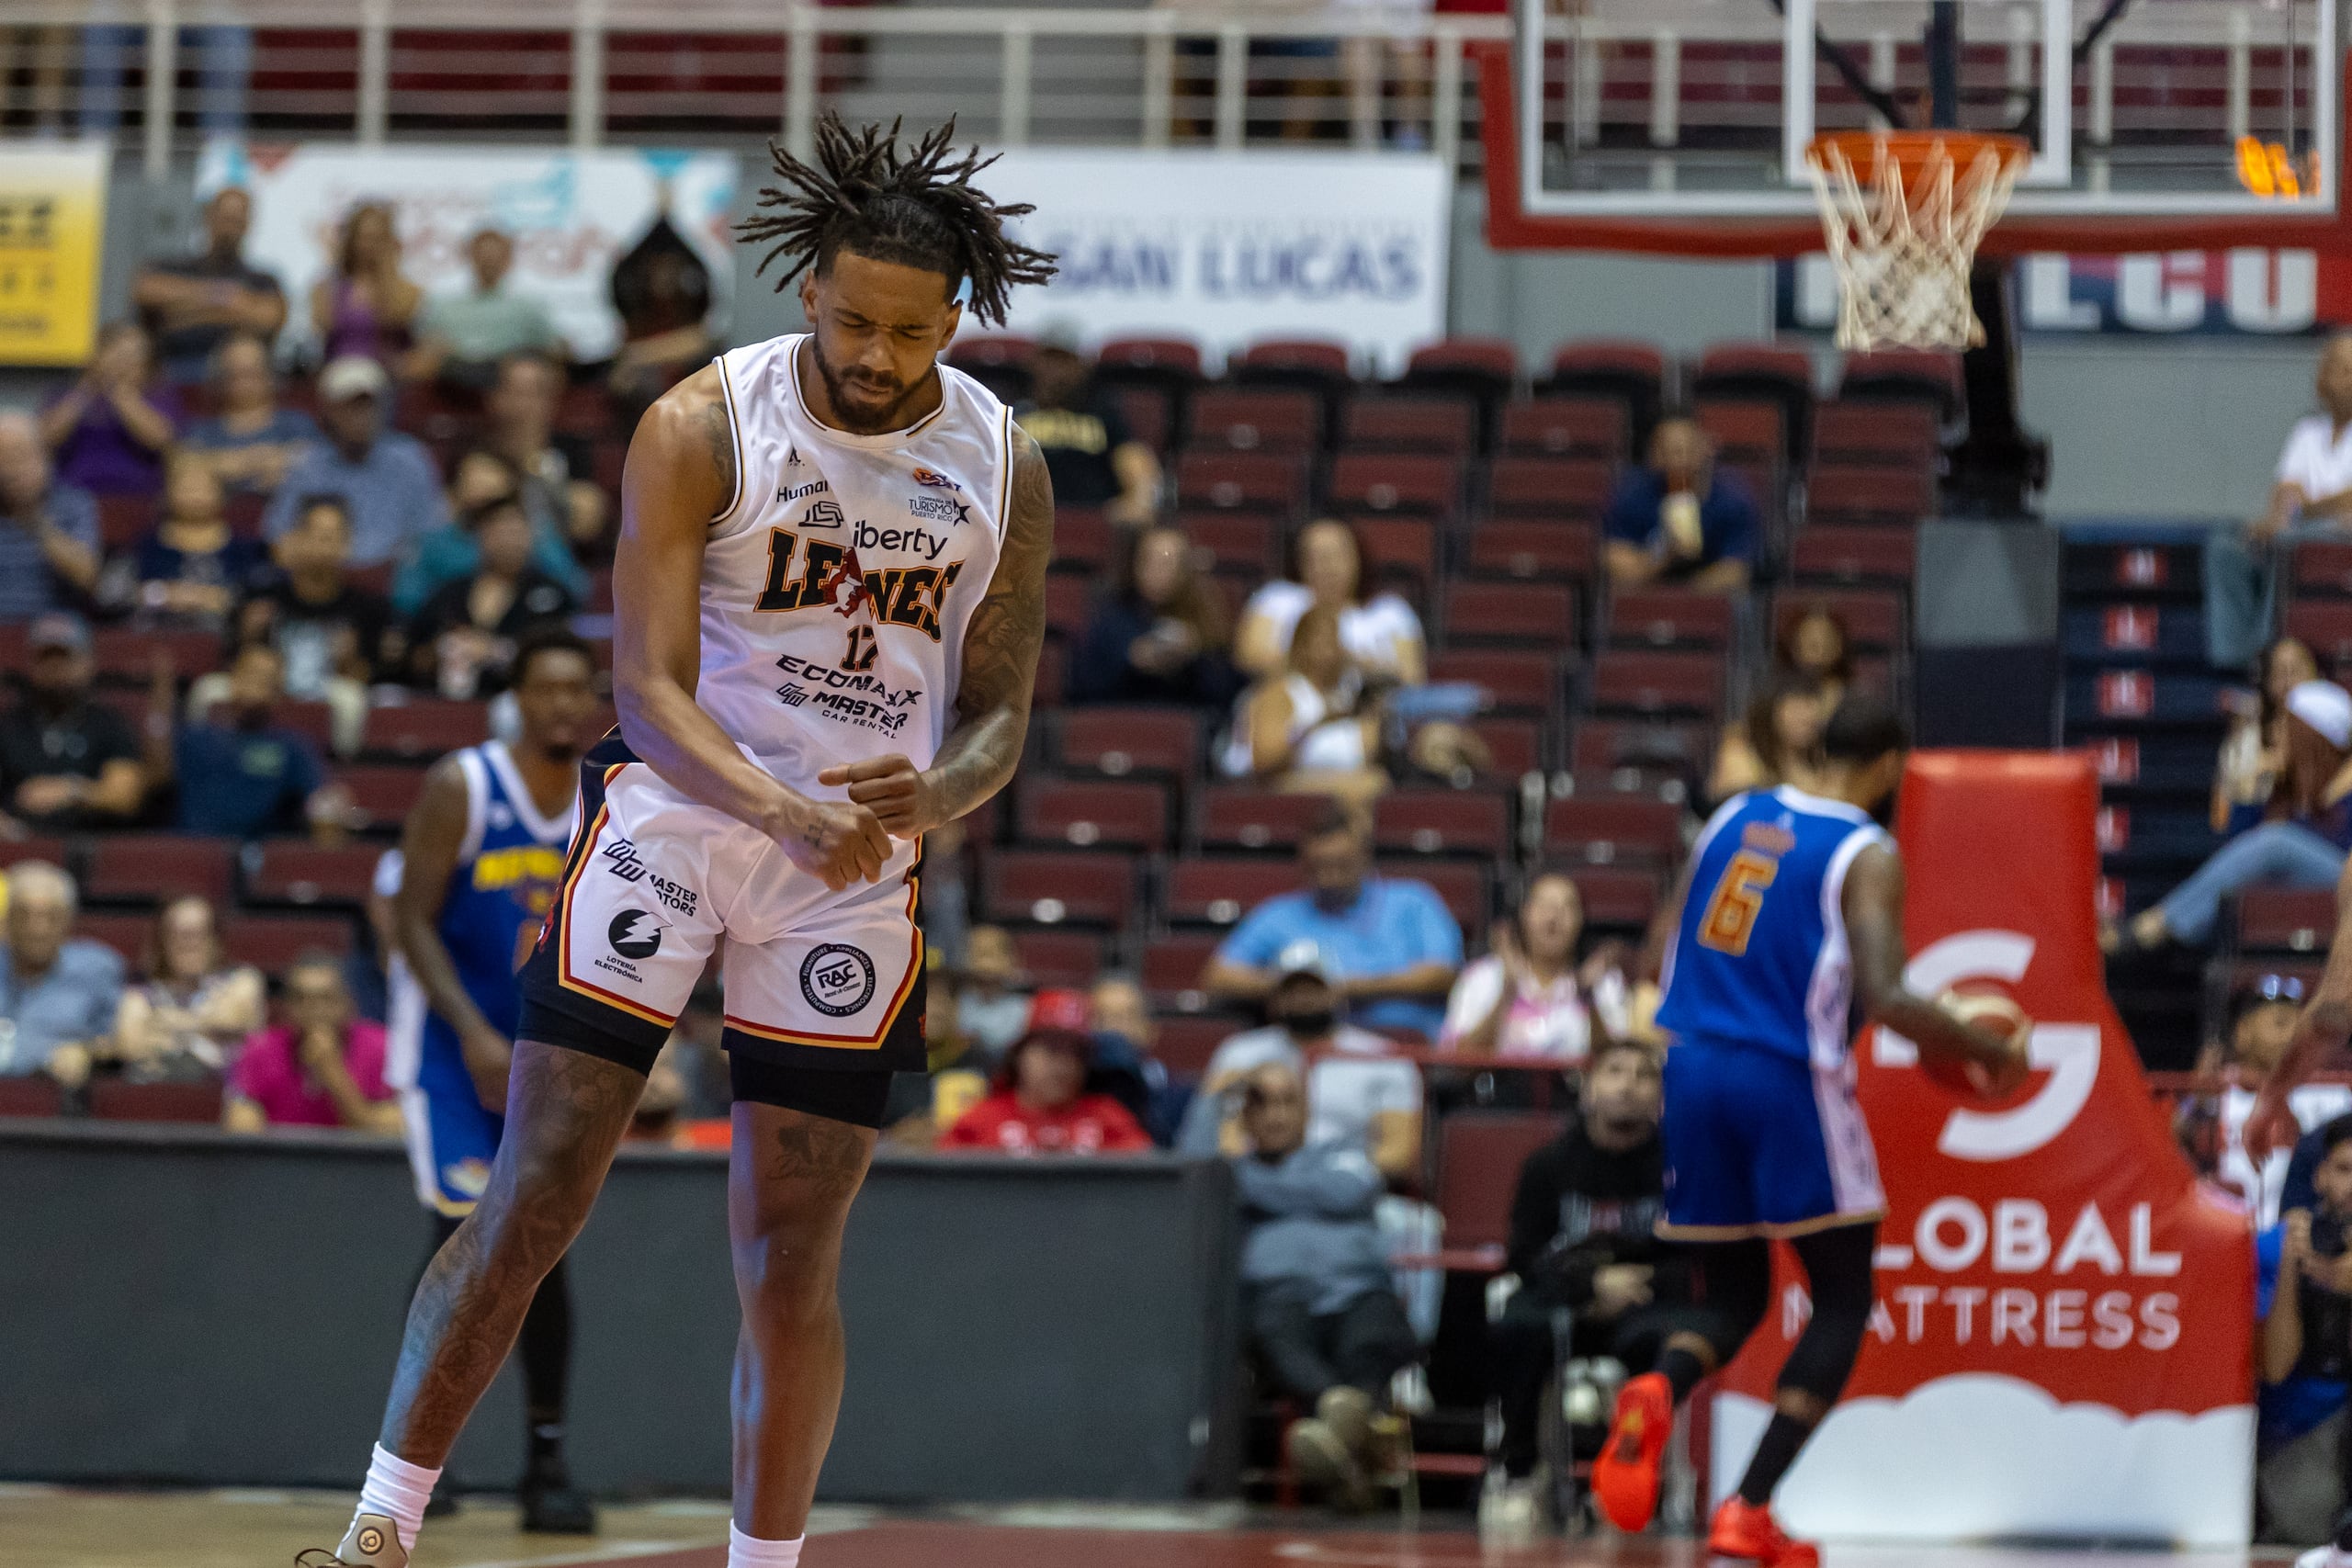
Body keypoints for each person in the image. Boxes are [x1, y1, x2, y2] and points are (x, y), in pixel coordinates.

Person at [297, 112, 1057, 1568]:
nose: (878, 355)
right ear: (807, 291)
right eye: (853, 321)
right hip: (680, 819)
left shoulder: (1005, 465)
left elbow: (1001, 714)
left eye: (910, 332)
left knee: (792, 1256)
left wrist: (938, 794)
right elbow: (644, 692)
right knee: (538, 1188)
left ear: (954, 321)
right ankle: (378, 1528)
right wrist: (776, 803)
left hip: (851, 874)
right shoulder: (705, 423)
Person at [1589, 696, 2028, 1565]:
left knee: (1734, 1296)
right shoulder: (1865, 849)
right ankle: (1749, 1505)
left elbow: (1668, 942)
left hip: (1691, 1070)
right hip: (1786, 1077)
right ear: (1890, 765)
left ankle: (1659, 1384)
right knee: (1842, 1295)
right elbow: (1890, 996)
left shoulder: (1731, 816)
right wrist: (1989, 1052)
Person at [382, 626, 597, 1534]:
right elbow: (409, 919)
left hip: (545, 1064)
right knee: (464, 1240)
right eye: (546, 688)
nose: (563, 704)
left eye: (577, 689)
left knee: (541, 1252)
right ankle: (415, 1458)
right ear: (516, 698)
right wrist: (473, 1033)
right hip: (452, 1055)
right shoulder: (464, 785)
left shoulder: (602, 797)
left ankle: (546, 1460)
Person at [1482, 1037, 1673, 1541]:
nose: (1628, 1085)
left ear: (1660, 1095)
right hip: (1563, 1297)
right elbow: (1523, 1255)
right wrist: (1590, 1285)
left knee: (1668, 1342)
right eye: (1615, 1071)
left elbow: (1693, 1257)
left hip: (1643, 1299)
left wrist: (1637, 1284)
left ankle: (1637, 1478)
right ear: (1588, 1089)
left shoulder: (1678, 1168)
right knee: (1516, 1327)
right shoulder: (1547, 1164)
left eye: (1643, 1075)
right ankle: (1520, 1472)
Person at [1228, 1060, 1420, 1512]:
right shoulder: (1231, 1172)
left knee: (1371, 1338)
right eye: (1261, 1105)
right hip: (1279, 1295)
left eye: (1287, 1102)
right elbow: (1196, 1168)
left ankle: (1336, 1437)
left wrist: (1258, 1187)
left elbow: (1348, 1192)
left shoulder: (1341, 1152)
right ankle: (1354, 1437)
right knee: (1273, 1334)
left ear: (1307, 1110)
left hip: (1359, 1290)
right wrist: (1220, 1114)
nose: (1275, 1115)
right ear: (1245, 1117)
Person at [2118, 679, 2352, 951]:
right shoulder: (2293, 787)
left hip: (2345, 881)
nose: (2275, 734)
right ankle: (2176, 933)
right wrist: (2247, 797)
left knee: (2275, 842)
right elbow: (2237, 857)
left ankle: (2156, 928)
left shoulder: (2345, 787)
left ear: (2311, 738)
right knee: (2266, 851)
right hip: (2300, 893)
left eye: (2286, 727)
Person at [1202, 800, 1463, 1040]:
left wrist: (1346, 988)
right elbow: (1218, 977)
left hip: (1402, 1047)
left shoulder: (1413, 901)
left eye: (1341, 864)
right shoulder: (1279, 914)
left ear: (1364, 856)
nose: (1330, 876)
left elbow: (1441, 974)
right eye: (1319, 866)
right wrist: (1299, 988)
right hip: (1309, 1047)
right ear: (1303, 863)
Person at [1180, 941, 1423, 1183]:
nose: (1303, 998)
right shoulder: (1239, 1054)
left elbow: (1398, 1154)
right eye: (1292, 990)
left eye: (1313, 988)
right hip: (1252, 1180)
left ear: (1336, 991)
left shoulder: (1382, 1058)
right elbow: (1210, 1131)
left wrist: (1331, 1178)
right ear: (1275, 998)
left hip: (1345, 1185)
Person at [2208, 333, 2352, 673]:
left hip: (2336, 545)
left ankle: (2268, 648)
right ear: (2323, 376)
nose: (2345, 380)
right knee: (2226, 545)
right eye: (2340, 370)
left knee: (2290, 541)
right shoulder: (2308, 432)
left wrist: (2306, 508)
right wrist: (2308, 509)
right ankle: (2233, 653)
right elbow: (2285, 497)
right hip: (2298, 531)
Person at [2178, 975, 2352, 1228]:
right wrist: (2197, 1098)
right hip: (2231, 1230)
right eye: (2280, 1022)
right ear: (2243, 1032)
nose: (2292, 1033)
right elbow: (2173, 1148)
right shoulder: (2218, 1093)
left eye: (2298, 1024)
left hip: (2301, 1231)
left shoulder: (2331, 1093)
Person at [227, 494, 395, 755]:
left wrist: (348, 663)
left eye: (331, 536)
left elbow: (370, 676)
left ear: (347, 544)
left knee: (351, 699)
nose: (322, 544)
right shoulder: (261, 598)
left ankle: (344, 768)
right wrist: (248, 636)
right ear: (295, 538)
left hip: (327, 685)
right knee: (208, 692)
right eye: (314, 533)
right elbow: (230, 659)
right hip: (266, 684)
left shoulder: (367, 608)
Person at [262, 355, 449, 569]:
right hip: (330, 575)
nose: (360, 415)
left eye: (367, 405)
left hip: (394, 576)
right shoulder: (308, 464)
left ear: (383, 407)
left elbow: (432, 532)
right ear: (329, 410)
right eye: (349, 405)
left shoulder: (411, 459)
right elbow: (279, 537)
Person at [2259, 1123, 2352, 1544]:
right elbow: (2276, 1367)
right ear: (2319, 1176)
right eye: (2344, 1169)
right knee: (2303, 1531)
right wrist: (2289, 1271)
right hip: (2305, 1424)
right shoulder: (2275, 1246)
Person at [1439, 870, 1630, 1066]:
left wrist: (1590, 999)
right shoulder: (1483, 977)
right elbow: (1458, 1061)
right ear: (1524, 914)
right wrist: (1506, 993)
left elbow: (1620, 1061)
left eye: (1566, 908)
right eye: (1543, 906)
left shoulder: (1604, 981)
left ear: (1581, 919)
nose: (1553, 919)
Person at [402, 496, 578, 699]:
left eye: (515, 531)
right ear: (482, 535)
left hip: (520, 699)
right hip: (447, 697)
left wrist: (492, 650)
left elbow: (559, 655)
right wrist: (440, 650)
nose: (509, 541)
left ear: (530, 535)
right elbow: (415, 651)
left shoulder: (552, 594)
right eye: (500, 531)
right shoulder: (450, 592)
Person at [166, 642, 345, 840]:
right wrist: (163, 687)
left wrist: (328, 813)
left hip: (259, 851)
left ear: (278, 692)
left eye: (266, 681)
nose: (254, 687)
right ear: (233, 679)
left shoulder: (292, 746)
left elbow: (322, 796)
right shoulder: (196, 737)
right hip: (198, 849)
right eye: (249, 675)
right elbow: (158, 770)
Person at [1221, 603, 1387, 807]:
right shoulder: (1282, 693)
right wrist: (1317, 724)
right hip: (1267, 792)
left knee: (1376, 782)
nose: (1329, 651)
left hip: (1329, 789)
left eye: (1334, 640)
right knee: (1368, 786)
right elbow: (1263, 761)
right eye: (1321, 641)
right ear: (1300, 645)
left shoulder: (1345, 696)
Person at [393, 444, 588, 616]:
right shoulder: (434, 542)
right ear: (457, 490)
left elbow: (576, 588)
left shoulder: (538, 534)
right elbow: (406, 599)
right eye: (474, 481)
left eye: (494, 499)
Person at [0, 612, 149, 833]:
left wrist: (70, 791)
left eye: (65, 658)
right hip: (20, 842)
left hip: (89, 842)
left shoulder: (108, 724)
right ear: (31, 664)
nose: (56, 668)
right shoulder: (9, 726)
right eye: (46, 658)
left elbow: (126, 795)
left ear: (88, 663)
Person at [1234, 517, 1426, 687]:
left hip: (1370, 711)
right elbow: (1249, 657)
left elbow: (1412, 677)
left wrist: (1350, 662)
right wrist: (1323, 662)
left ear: (1358, 557)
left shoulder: (1391, 613)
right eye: (1315, 556)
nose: (1327, 566)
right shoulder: (1278, 599)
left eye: (1336, 554)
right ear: (1300, 562)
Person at [1069, 522, 1241, 707]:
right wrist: (1131, 660)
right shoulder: (1111, 616)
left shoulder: (1204, 615)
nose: (1160, 571)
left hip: (1185, 718)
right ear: (1134, 563)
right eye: (1150, 560)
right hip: (1123, 715)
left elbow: (1225, 691)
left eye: (1170, 562)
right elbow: (1084, 687)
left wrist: (1194, 655)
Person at [223, 954, 401, 1134]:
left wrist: (334, 1074)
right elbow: (241, 1134)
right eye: (301, 999)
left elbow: (393, 1132)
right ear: (286, 1006)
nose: (315, 1010)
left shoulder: (382, 1048)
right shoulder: (260, 1049)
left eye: (326, 999)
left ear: (348, 1002)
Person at [132, 186, 288, 384]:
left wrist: (183, 313)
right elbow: (146, 290)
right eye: (226, 219)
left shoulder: (263, 279)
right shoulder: (173, 266)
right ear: (208, 217)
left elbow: (269, 317)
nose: (230, 228)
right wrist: (231, 302)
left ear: (248, 224)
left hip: (237, 379)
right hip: (173, 367)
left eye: (238, 221)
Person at [105, 895, 265, 1084]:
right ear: (162, 941)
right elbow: (131, 1047)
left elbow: (234, 1020)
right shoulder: (138, 996)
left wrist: (173, 1025)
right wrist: (209, 1029)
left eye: (200, 932)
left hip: (224, 1094)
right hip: (159, 1093)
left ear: (216, 939)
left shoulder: (241, 981)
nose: (191, 943)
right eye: (181, 934)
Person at [0, 861, 125, 1090]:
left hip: (60, 1099)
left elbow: (119, 1042)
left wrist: (87, 1052)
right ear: (7, 919)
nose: (37, 929)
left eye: (51, 916)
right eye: (24, 914)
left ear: (68, 920)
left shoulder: (97, 968)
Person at [1601, 414, 1758, 593]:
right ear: (1653, 455)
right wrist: (1666, 555)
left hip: (1707, 600)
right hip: (1646, 596)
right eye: (1667, 451)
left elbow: (1735, 572)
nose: (1678, 460)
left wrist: (1682, 599)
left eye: (1686, 450)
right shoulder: (1631, 495)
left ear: (1705, 449)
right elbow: (1620, 570)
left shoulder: (1732, 499)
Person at [113, 447, 266, 629]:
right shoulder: (144, 547)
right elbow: (113, 595)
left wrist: (217, 599)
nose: (194, 494)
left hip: (225, 636)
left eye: (202, 486)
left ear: (221, 492)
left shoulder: (245, 550)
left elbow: (259, 599)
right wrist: (162, 594)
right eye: (185, 487)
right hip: (156, 634)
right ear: (167, 492)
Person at [937, 1025, 1153, 1153]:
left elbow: (1148, 1181)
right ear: (1020, 1056)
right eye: (1051, 1051)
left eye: (1074, 1054)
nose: (1063, 1065)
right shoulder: (981, 1118)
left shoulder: (1108, 1116)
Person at [1014, 338, 1160, 525]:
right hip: (1029, 522)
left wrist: (1136, 502)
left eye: (1064, 362)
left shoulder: (1103, 415)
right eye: (1049, 360)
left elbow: (1134, 462)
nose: (1055, 371)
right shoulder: (1014, 414)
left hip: (1095, 519)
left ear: (1082, 367)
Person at [480, 352, 607, 558]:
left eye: (535, 393)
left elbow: (587, 519)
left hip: (560, 565)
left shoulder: (573, 449)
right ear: (495, 398)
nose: (523, 405)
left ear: (552, 400)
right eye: (515, 392)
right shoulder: (478, 453)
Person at [407, 230, 566, 395]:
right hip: (452, 370)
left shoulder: (527, 307)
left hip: (505, 371)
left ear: (507, 260)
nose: (489, 262)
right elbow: (424, 342)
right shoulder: (443, 305)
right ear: (470, 257)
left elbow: (554, 346)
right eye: (483, 256)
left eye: (495, 257)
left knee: (528, 373)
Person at [37, 320, 182, 498]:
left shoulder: (158, 395)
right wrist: (86, 391)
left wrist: (119, 392)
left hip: (139, 496)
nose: (123, 364)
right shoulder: (67, 394)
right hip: (73, 496)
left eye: (133, 357)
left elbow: (159, 440)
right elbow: (46, 438)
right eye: (116, 354)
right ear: (97, 356)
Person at [181, 331, 319, 497]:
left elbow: (314, 460)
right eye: (234, 374)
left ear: (270, 374)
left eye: (251, 373)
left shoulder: (296, 423)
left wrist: (228, 466)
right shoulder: (203, 431)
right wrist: (257, 460)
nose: (244, 383)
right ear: (219, 378)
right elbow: (187, 466)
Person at [0, 410, 102, 620]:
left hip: (55, 624)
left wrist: (34, 520)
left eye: (19, 457)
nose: (11, 470)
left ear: (44, 457)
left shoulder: (74, 504)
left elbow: (88, 576)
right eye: (4, 460)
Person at [2218, 637, 2325, 834]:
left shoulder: (2338, 730)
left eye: (2295, 671)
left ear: (2317, 675)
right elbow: (2231, 818)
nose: (2288, 682)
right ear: (2268, 683)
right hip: (2263, 835)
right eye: (2279, 673)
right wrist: (2263, 775)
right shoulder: (2247, 738)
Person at [312, 202, 423, 371]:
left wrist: (387, 274)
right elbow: (323, 325)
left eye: (377, 239)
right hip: (338, 369)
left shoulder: (408, 290)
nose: (369, 246)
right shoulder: (328, 288)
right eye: (363, 237)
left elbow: (397, 317)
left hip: (388, 373)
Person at [1707, 670, 1832, 804]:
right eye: (1795, 709)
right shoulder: (1740, 752)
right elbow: (1739, 805)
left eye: (1810, 708)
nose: (1806, 718)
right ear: (1770, 712)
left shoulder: (1822, 761)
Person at [1775, 604, 1854, 705]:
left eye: (1828, 640)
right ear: (1794, 647)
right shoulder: (1777, 693)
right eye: (1812, 642)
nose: (1821, 650)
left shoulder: (1854, 696)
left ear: (1840, 647)